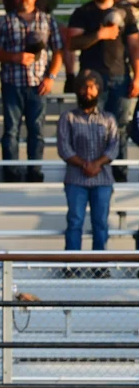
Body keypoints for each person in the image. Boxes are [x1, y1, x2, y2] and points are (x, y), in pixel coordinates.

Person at [67, 0, 139, 182]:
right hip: (91, 80)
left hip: (120, 77)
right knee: (92, 128)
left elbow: (135, 46)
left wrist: (137, 77)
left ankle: (119, 176)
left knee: (119, 129)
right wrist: (99, 35)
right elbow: (72, 43)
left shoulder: (125, 13)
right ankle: (93, 174)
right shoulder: (83, 12)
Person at [0, 0, 64, 182]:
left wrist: (51, 77)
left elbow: (58, 51)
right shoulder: (4, 22)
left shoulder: (48, 21)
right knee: (11, 130)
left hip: (38, 84)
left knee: (36, 130)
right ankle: (11, 172)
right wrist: (14, 57)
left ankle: (34, 170)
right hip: (12, 82)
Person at [57, 71, 119, 256]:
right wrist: (85, 164)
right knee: (75, 222)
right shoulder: (68, 117)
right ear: (78, 90)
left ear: (98, 90)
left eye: (91, 87)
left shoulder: (108, 119)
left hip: (103, 181)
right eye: (84, 87)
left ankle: (99, 265)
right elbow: (64, 148)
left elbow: (114, 147)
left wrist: (97, 164)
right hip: (76, 180)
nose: (87, 91)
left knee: (100, 223)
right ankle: (73, 265)